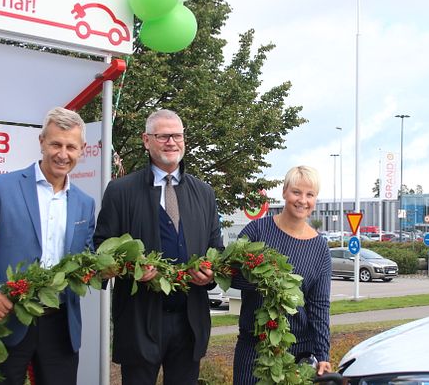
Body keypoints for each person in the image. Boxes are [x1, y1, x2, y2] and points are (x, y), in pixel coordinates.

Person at [0, 107, 96, 385]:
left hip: (60, 325)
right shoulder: (1, 187)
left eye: (71, 147)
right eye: (56, 144)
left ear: (82, 150)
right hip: (8, 319)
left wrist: (104, 267)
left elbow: (86, 259)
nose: (62, 154)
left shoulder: (85, 202)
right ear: (42, 142)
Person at [94, 109, 222, 385]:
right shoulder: (120, 192)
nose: (171, 142)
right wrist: (128, 269)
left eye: (177, 135)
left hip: (190, 323)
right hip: (140, 322)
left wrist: (211, 273)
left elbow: (217, 250)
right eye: (163, 136)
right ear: (146, 140)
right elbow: (100, 249)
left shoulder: (204, 193)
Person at [232, 165, 332, 384]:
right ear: (285, 192)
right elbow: (232, 276)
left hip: (298, 353)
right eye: (296, 192)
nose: (302, 200)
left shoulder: (320, 249)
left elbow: (319, 306)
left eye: (310, 195)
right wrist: (266, 279)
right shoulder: (257, 231)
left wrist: (323, 354)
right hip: (254, 348)